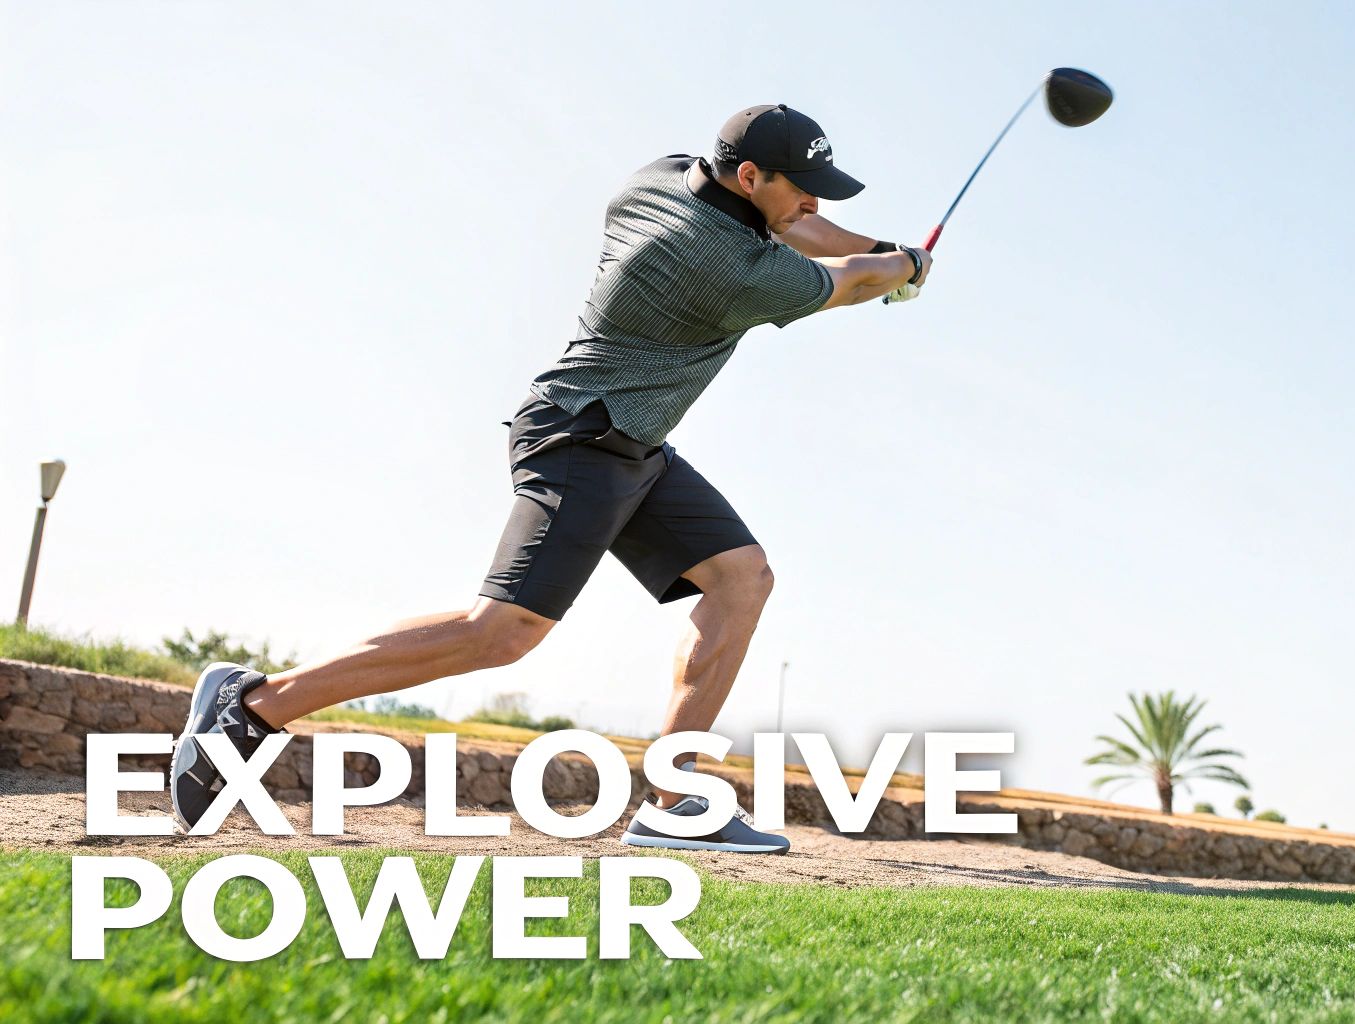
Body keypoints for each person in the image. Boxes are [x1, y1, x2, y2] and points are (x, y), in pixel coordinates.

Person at [170, 104, 932, 854]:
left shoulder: (661, 177)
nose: (815, 200)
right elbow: (848, 282)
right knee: (501, 634)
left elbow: (797, 224)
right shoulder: (728, 266)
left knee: (741, 579)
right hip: (581, 437)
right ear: (748, 174)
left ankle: (673, 801)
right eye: (802, 184)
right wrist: (904, 267)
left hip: (632, 441)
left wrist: (894, 252)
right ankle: (257, 705)